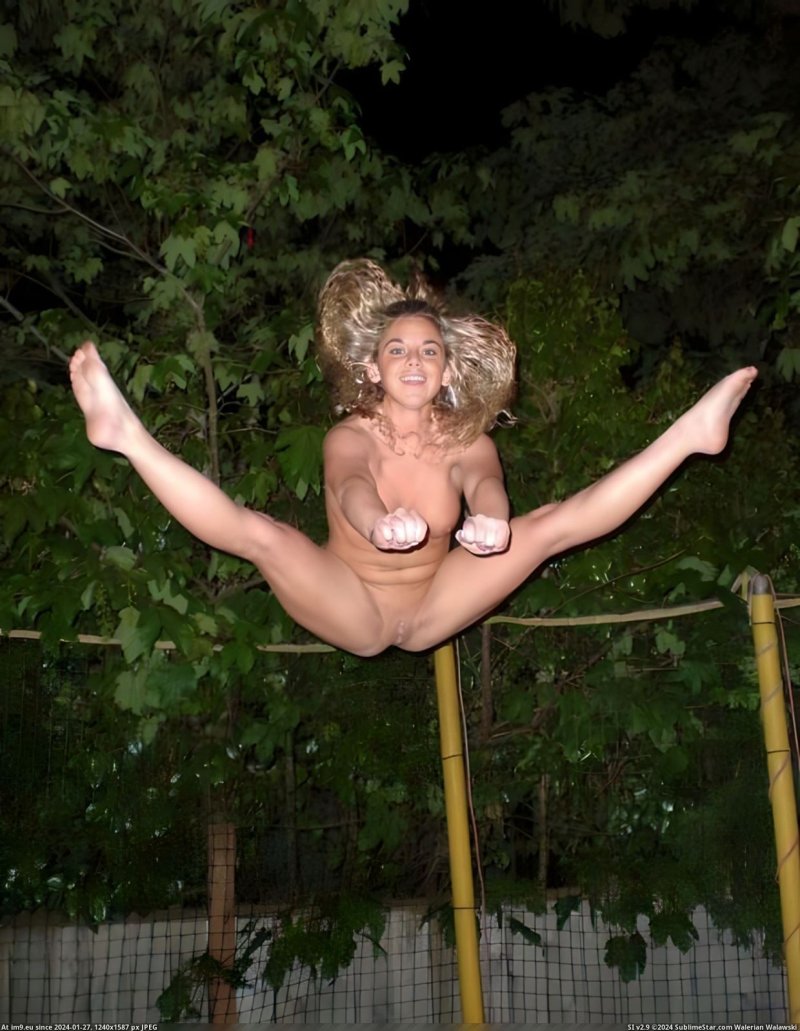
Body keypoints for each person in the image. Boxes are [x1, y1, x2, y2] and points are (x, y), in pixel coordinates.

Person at [69, 259, 757, 657]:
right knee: (264, 535)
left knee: (549, 524)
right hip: (353, 604)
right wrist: (378, 525)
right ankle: (126, 435)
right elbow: (350, 488)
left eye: (429, 350)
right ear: (372, 369)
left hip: (435, 606)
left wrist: (493, 521)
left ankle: (689, 436)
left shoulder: (467, 439)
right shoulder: (350, 436)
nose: (414, 359)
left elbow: (485, 483)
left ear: (448, 371)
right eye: (397, 349)